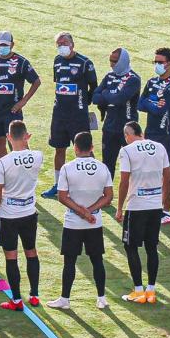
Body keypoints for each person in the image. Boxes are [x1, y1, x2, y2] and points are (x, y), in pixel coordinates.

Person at [50, 131, 114, 310]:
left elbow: (62, 197)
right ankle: (101, 298)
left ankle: (65, 299)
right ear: (92, 147)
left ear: (75, 148)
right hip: (95, 221)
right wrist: (90, 212)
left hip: (73, 222)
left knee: (69, 262)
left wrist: (81, 212)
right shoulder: (102, 167)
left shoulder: (67, 168)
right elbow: (108, 196)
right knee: (97, 260)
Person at [115, 122, 170, 304]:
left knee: (130, 247)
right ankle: (151, 290)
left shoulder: (127, 151)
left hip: (136, 206)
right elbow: (168, 178)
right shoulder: (159, 147)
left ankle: (139, 290)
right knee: (151, 247)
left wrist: (119, 207)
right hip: (155, 206)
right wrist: (164, 205)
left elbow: (124, 181)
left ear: (128, 134)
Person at [0, 120, 44, 310]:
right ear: (27, 136)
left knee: (11, 257)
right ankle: (34, 295)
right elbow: (27, 156)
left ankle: (16, 300)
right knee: (31, 252)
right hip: (29, 213)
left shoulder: (2, 163)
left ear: (8, 137)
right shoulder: (38, 156)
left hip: (8, 215)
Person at [42, 32, 98, 200]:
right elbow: (59, 83)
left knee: (85, 149)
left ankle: (94, 185)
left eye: (64, 43)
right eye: (58, 44)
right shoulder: (57, 61)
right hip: (59, 113)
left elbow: (93, 86)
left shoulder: (85, 63)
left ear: (72, 44)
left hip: (78, 115)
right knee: (59, 149)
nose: (61, 46)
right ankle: (58, 185)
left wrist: (84, 102)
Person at [0, 31, 41, 162]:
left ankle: (26, 169)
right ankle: (2, 172)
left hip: (13, 110)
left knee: (18, 143)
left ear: (12, 44)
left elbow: (36, 81)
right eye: (0, 45)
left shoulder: (21, 62)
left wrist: (24, 101)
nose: (2, 47)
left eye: (5, 45)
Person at [138, 48, 170, 224]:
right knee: (148, 170)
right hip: (150, 132)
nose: (157, 65)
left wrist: (150, 102)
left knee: (165, 172)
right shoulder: (151, 82)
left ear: (169, 63)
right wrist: (153, 101)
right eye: (155, 62)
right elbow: (140, 104)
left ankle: (166, 211)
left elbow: (159, 110)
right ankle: (151, 206)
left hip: (165, 134)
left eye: (160, 62)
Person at [92, 48, 141, 177]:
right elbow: (95, 97)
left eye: (114, 61)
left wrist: (105, 93)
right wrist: (110, 95)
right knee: (107, 165)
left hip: (128, 128)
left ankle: (132, 190)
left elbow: (119, 100)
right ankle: (107, 189)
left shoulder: (133, 79)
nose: (111, 64)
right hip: (109, 127)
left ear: (123, 61)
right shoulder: (109, 76)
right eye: (110, 61)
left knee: (132, 165)